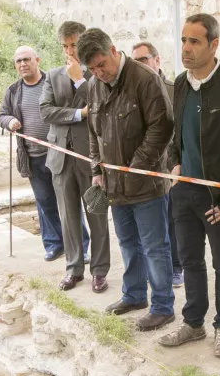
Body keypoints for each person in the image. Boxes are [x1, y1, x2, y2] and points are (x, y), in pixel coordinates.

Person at [158, 14, 220, 358]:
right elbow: (177, 135)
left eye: (194, 41)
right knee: (189, 260)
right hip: (184, 191)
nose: (185, 48)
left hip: (219, 196)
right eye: (184, 40)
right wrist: (174, 163)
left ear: (214, 44)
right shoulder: (181, 84)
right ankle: (193, 322)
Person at [78, 28, 176, 332]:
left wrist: (136, 168)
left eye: (101, 65)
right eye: (91, 69)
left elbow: (162, 128)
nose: (98, 73)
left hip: (145, 184)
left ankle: (163, 306)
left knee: (155, 246)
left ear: (112, 50)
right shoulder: (95, 85)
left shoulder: (145, 79)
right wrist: (97, 171)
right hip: (113, 185)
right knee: (128, 242)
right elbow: (94, 134)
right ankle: (133, 296)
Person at [40, 21, 105, 292]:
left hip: (90, 157)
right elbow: (45, 110)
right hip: (60, 157)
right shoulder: (52, 75)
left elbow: (99, 106)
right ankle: (73, 267)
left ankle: (99, 271)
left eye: (74, 45)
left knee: (97, 214)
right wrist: (79, 114)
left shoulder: (96, 75)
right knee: (67, 216)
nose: (69, 50)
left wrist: (80, 77)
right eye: (65, 46)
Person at [0, 46, 65, 261]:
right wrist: (10, 122)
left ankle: (79, 246)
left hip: (59, 154)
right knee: (45, 202)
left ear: (37, 60)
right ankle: (54, 244)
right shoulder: (13, 91)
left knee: (68, 201)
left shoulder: (53, 83)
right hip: (33, 157)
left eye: (26, 59)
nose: (22, 64)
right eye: (18, 61)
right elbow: (2, 115)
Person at [132, 40, 184, 288]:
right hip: (145, 167)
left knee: (172, 220)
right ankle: (153, 271)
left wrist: (175, 163)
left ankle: (175, 267)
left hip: (169, 166)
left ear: (157, 60)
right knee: (150, 226)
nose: (139, 65)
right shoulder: (134, 89)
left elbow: (177, 130)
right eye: (135, 61)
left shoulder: (174, 89)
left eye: (143, 59)